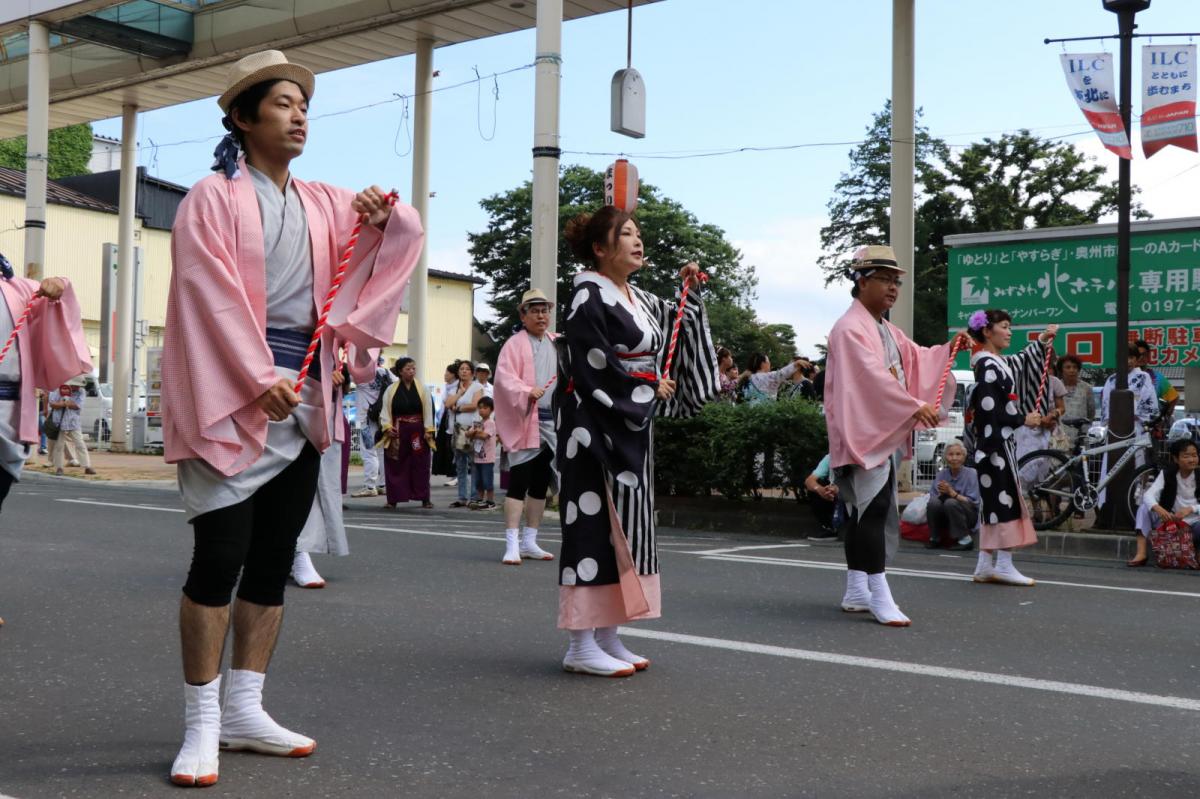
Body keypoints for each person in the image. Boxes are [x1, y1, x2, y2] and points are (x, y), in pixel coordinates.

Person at [162, 51, 422, 788]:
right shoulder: (210, 197)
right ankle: (201, 722)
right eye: (282, 103)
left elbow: (395, 236)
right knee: (219, 557)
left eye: (304, 105)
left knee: (274, 557)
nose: (299, 115)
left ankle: (246, 708)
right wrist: (255, 375)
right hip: (231, 390)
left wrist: (386, 216)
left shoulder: (326, 201)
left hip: (303, 392)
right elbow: (206, 293)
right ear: (243, 119)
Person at [556, 207, 718, 676]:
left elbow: (678, 321)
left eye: (638, 233)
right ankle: (580, 643)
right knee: (592, 526)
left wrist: (689, 289)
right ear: (599, 249)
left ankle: (609, 634)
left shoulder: (634, 295)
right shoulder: (586, 295)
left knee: (625, 531)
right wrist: (644, 385)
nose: (637, 240)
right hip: (592, 426)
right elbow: (593, 365)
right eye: (625, 233)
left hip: (628, 426)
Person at [825, 244, 966, 627]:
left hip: (875, 430)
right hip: (864, 431)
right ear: (861, 281)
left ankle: (857, 589)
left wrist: (949, 349)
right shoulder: (850, 328)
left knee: (863, 513)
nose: (892, 287)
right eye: (885, 279)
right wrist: (911, 404)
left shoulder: (883, 328)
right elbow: (869, 377)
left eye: (895, 281)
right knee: (871, 511)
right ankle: (879, 593)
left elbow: (916, 357)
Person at [967, 310, 1057, 587]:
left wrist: (1042, 340)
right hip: (995, 444)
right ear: (987, 331)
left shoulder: (993, 362)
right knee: (1004, 501)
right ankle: (1003, 564)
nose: (1009, 332)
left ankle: (985, 565)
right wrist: (1021, 419)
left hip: (994, 443)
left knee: (994, 503)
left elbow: (1020, 360)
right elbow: (989, 409)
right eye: (1004, 327)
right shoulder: (988, 365)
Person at [494, 287, 558, 566]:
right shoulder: (514, 344)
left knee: (541, 484)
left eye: (544, 311)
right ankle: (512, 542)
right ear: (523, 315)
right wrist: (525, 390)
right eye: (535, 311)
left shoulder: (557, 343)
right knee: (518, 483)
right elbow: (503, 379)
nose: (541, 316)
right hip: (525, 420)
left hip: (551, 421)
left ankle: (530, 540)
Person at [292, 358, 352, 589]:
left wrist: (338, 376)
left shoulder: (335, 345)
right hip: (284, 395)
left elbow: (356, 373)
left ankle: (298, 550)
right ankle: (289, 550)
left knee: (314, 487)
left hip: (322, 409)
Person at [1131, 438, 1200, 566]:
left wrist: (1191, 509)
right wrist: (1159, 509)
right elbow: (1148, 495)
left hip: (1195, 522)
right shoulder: (1168, 473)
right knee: (1144, 508)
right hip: (1171, 521)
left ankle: (1196, 556)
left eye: (1194, 455)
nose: (1192, 460)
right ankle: (1141, 553)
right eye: (1186, 456)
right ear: (1176, 459)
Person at [378, 356, 435, 509]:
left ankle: (424, 497)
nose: (412, 371)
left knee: (421, 463)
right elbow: (385, 410)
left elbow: (428, 410)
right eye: (408, 369)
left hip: (417, 432)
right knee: (395, 463)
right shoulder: (391, 389)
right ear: (400, 371)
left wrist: (428, 429)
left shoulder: (423, 389)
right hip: (398, 431)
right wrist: (387, 427)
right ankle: (393, 499)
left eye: (413, 368)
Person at [351, 356, 392, 498]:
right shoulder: (385, 372)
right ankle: (383, 485)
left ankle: (370, 486)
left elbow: (345, 376)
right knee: (381, 452)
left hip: (365, 420)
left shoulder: (360, 375)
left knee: (369, 452)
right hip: (381, 419)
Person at [926, 441, 979, 551]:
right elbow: (933, 497)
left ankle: (965, 539)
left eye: (958, 454)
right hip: (946, 514)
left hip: (968, 515)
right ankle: (935, 537)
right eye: (950, 454)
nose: (954, 458)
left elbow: (973, 502)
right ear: (945, 457)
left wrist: (952, 493)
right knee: (933, 503)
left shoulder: (972, 474)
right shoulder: (941, 474)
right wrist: (942, 494)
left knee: (950, 502)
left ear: (964, 457)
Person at [445, 360, 483, 507]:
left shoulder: (477, 387)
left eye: (467, 369)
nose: (464, 371)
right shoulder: (455, 388)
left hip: (472, 428)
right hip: (457, 429)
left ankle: (474, 496)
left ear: (472, 373)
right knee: (460, 464)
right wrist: (460, 393)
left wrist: (458, 408)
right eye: (461, 369)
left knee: (474, 463)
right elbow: (448, 404)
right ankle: (462, 496)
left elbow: (475, 405)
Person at [48, 381, 96, 476]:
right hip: (59, 422)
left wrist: (63, 403)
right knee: (59, 446)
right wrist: (64, 404)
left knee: (80, 443)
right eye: (76, 385)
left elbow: (78, 406)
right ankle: (59, 467)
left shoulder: (81, 391)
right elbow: (52, 404)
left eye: (79, 386)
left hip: (73, 422)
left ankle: (87, 466)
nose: (78, 387)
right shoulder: (58, 389)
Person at [1135, 338, 1179, 423]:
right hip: (1129, 424)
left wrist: (1165, 417)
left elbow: (1174, 398)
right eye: (1138, 355)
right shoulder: (1124, 377)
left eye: (1144, 355)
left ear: (1148, 357)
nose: (1141, 357)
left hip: (1151, 425)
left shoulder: (1157, 377)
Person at [739, 353, 810, 405]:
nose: (770, 364)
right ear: (763, 364)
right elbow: (782, 373)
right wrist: (795, 364)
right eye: (768, 361)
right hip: (764, 413)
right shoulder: (768, 377)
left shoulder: (748, 378)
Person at [1057, 354, 1095, 447]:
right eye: (1068, 367)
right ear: (1061, 370)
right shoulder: (1055, 387)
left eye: (1075, 367)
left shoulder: (1086, 388)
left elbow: (1091, 412)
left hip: (1081, 436)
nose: (1072, 370)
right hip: (1060, 436)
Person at [803, 454, 842, 542]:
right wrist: (820, 490)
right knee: (815, 490)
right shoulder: (830, 457)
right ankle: (828, 528)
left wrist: (838, 490)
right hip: (837, 495)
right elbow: (809, 481)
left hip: (856, 495)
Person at [431, 361, 459, 484]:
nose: (445, 375)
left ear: (453, 374)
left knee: (453, 448)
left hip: (454, 420)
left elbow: (449, 404)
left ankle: (456, 475)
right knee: (447, 448)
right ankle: (453, 474)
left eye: (447, 372)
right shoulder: (448, 387)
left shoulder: (457, 388)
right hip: (446, 419)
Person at [468, 396, 497, 509]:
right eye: (480, 408)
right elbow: (467, 433)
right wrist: (475, 432)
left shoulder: (490, 423)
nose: (481, 410)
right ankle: (480, 499)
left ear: (491, 409)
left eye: (485, 408)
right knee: (478, 481)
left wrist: (474, 433)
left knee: (487, 480)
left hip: (487, 458)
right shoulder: (478, 423)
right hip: (478, 457)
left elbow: (484, 435)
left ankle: (490, 501)